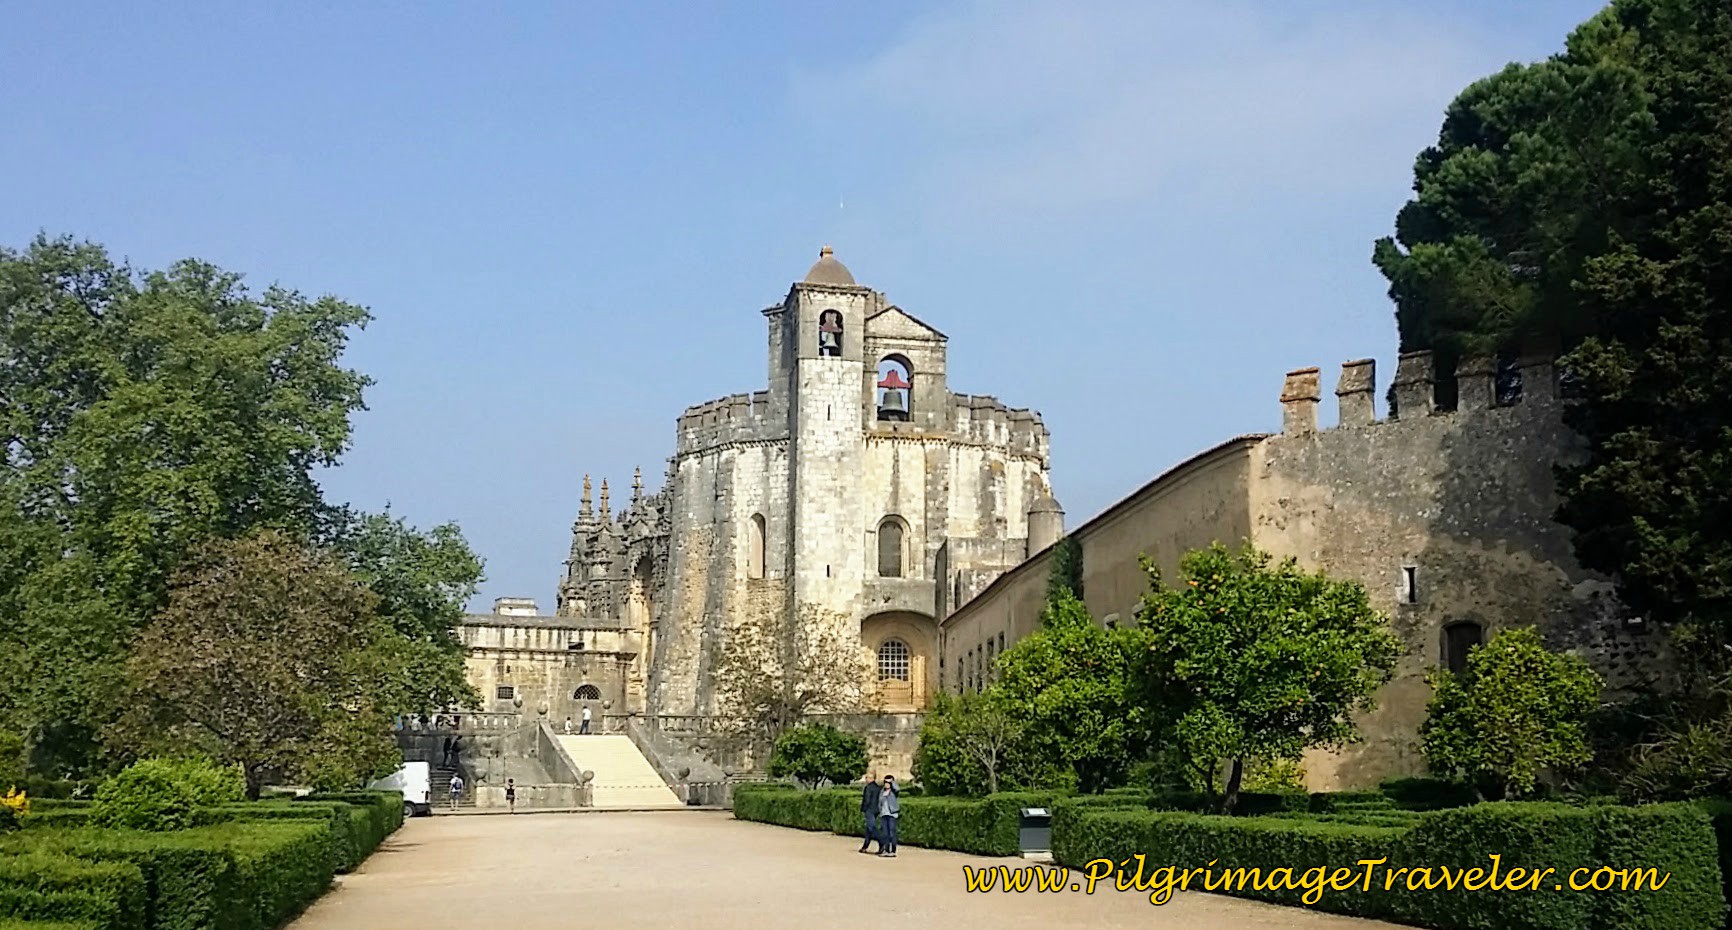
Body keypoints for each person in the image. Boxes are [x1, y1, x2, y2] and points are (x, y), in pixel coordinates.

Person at [858, 774, 882, 854]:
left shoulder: (868, 788)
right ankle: (865, 846)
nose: (865, 779)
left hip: (869, 810)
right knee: (868, 829)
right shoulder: (878, 788)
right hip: (876, 810)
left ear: (871, 778)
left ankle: (882, 842)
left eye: (867, 778)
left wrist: (863, 808)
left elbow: (867, 800)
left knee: (871, 828)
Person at [877, 775, 900, 857]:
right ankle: (886, 849)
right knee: (885, 833)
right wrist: (880, 811)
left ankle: (893, 850)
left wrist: (892, 782)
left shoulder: (893, 791)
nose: (886, 784)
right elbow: (879, 802)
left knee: (892, 832)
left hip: (892, 814)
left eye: (888, 782)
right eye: (885, 782)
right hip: (884, 814)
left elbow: (897, 789)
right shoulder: (882, 792)